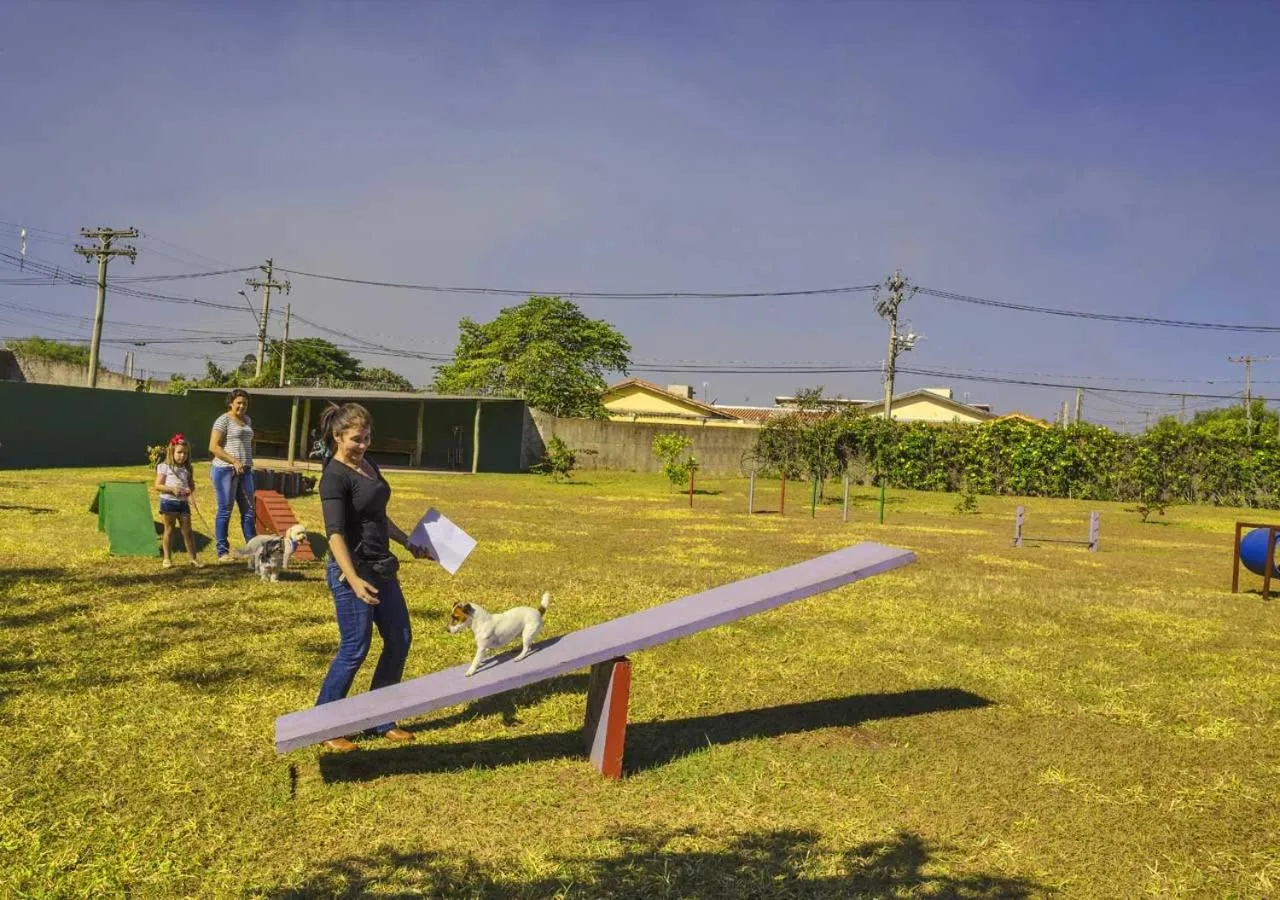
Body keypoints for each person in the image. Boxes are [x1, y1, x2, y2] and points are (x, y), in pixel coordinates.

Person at [313, 401, 432, 752]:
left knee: (400, 638)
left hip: (381, 565)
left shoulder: (369, 465)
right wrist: (351, 578)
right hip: (353, 570)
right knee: (355, 647)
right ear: (337, 436)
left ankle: (381, 718)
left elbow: (378, 515)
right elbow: (334, 533)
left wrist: (408, 541)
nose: (362, 445)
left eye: (366, 438)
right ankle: (325, 724)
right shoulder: (333, 476)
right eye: (355, 439)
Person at [208, 388, 256, 562]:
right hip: (225, 471)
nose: (242, 406)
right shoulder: (223, 420)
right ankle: (222, 552)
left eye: (245, 403)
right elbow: (213, 447)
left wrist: (245, 461)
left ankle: (254, 550)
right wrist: (233, 461)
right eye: (239, 403)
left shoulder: (247, 420)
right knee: (225, 510)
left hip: (246, 471)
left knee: (249, 511)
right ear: (231, 403)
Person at [153, 433, 203, 568]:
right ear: (172, 452)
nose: (182, 456)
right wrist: (171, 489)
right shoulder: (164, 467)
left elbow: (191, 485)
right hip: (168, 502)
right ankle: (167, 558)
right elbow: (157, 485)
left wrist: (189, 490)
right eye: (179, 452)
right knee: (169, 530)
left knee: (187, 531)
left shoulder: (188, 468)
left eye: (185, 453)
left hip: (183, 503)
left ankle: (193, 558)